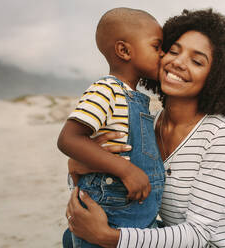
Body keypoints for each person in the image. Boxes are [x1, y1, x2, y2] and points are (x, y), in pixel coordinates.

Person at [65, 9, 225, 247]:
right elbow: (109, 182)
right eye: (172, 51)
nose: (177, 62)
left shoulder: (219, 134)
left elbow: (199, 234)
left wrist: (108, 237)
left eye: (197, 61)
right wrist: (80, 164)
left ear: (214, 76)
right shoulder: (145, 124)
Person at [57, 7, 165, 248]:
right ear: (124, 50)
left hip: (136, 218)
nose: (163, 54)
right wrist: (126, 171)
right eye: (156, 47)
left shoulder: (134, 96)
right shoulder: (106, 89)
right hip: (109, 215)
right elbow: (69, 138)